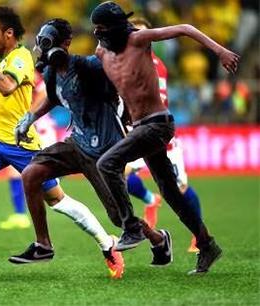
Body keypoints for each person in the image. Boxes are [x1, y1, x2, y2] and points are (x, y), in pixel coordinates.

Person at [0, 6, 123, 274]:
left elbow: (7, 88)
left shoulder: (21, 58)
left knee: (58, 201)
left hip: (22, 145)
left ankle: (106, 244)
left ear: (9, 34)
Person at [10, 18, 173, 278]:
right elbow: (53, 98)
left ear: (65, 43)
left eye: (47, 40)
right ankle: (43, 245)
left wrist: (132, 110)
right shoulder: (51, 73)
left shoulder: (90, 66)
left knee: (118, 218)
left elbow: (123, 78)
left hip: (106, 149)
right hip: (77, 142)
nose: (41, 46)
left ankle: (158, 239)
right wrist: (30, 117)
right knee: (31, 174)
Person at [90, 1, 239, 274]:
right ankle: (207, 245)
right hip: (139, 127)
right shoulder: (101, 53)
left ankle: (132, 228)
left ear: (114, 27)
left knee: (106, 164)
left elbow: (184, 28)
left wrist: (220, 51)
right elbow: (115, 89)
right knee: (170, 192)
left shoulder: (139, 39)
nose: (98, 33)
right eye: (95, 29)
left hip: (158, 124)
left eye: (102, 28)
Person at [125, 17, 202, 253]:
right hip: (136, 131)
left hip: (159, 133)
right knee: (121, 175)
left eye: (144, 34)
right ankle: (149, 199)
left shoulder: (153, 64)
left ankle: (199, 235)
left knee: (179, 188)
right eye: (136, 33)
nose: (140, 38)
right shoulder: (128, 61)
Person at [0, 72, 58, 231]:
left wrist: (27, 116)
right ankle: (20, 215)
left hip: (39, 129)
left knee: (46, 181)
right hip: (28, 129)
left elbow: (44, 93)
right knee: (15, 171)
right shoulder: (6, 72)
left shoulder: (27, 71)